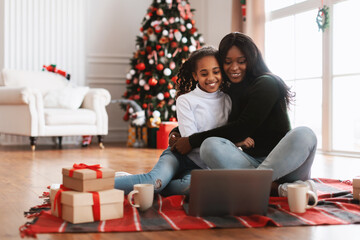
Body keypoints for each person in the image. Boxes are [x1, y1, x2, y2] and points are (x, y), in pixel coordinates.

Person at [170, 32, 318, 196]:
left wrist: (191, 140)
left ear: (252, 59)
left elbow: (242, 127)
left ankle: (254, 185)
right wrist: (177, 130)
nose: (234, 67)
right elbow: (217, 120)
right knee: (209, 145)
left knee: (305, 133)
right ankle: (275, 188)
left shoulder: (266, 83)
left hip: (286, 166)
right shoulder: (230, 90)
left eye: (241, 61)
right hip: (249, 164)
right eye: (227, 62)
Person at [115, 46, 252, 195]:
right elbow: (189, 140)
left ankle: (140, 182)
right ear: (195, 76)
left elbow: (228, 132)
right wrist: (235, 144)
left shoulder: (227, 100)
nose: (211, 78)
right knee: (154, 183)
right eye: (204, 73)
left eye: (216, 71)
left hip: (201, 167)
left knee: (191, 188)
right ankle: (101, 183)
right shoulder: (186, 100)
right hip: (179, 156)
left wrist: (234, 142)